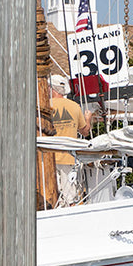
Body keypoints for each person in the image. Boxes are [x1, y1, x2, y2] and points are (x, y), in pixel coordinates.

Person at [47, 77, 91, 206]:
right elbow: (85, 131)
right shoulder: (74, 106)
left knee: (51, 198)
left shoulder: (43, 106)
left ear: (51, 88)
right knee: (71, 198)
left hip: (49, 158)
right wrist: (88, 118)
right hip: (69, 157)